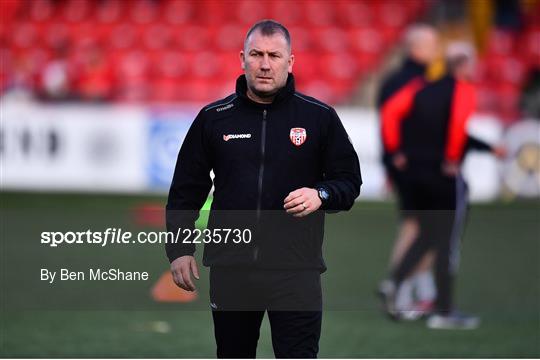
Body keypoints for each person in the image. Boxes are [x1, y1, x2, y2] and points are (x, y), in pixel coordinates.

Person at [165, 20, 361, 358]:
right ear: (242, 58)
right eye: (256, 54)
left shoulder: (319, 118)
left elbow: (349, 181)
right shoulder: (215, 118)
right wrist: (180, 249)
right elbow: (185, 189)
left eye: (274, 55)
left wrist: (321, 195)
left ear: (291, 61)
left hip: (297, 270)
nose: (265, 64)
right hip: (232, 268)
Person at [380, 40, 498, 329]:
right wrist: (452, 158)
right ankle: (444, 310)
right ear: (463, 64)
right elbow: (458, 124)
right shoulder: (462, 89)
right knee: (446, 242)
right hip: (443, 177)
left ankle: (394, 282)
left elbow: (389, 113)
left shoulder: (420, 88)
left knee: (428, 236)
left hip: (415, 175)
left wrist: (395, 151)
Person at [376, 24, 440, 314]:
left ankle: (413, 285)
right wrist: (397, 156)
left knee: (418, 225)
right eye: (431, 44)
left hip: (405, 164)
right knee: (421, 226)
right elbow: (395, 123)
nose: (436, 50)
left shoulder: (395, 80)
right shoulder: (412, 82)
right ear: (416, 48)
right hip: (414, 166)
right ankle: (400, 284)